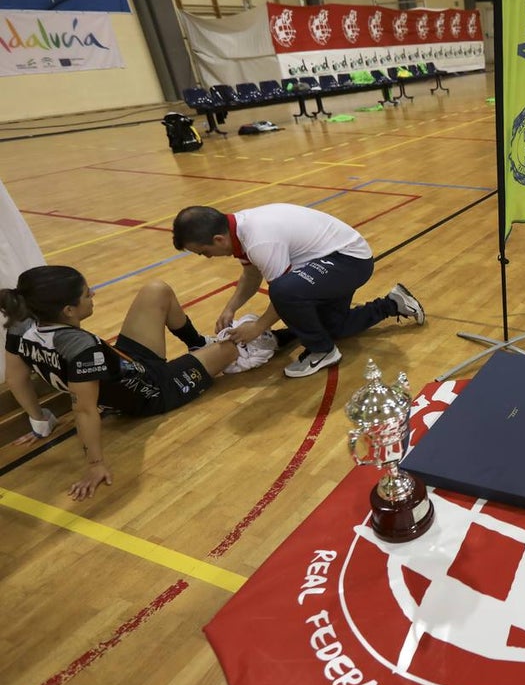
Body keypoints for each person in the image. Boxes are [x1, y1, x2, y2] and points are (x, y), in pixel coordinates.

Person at [1, 266, 240, 500]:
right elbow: (84, 410)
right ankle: (273, 339)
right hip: (152, 392)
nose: (93, 294)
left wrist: (40, 422)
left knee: (157, 290)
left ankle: (198, 344)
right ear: (68, 310)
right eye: (86, 294)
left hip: (127, 361)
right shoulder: (80, 347)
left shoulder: (21, 322)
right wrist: (96, 465)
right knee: (233, 346)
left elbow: (15, 377)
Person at [172, 203, 425, 378]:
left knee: (284, 291)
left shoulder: (259, 237)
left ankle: (322, 351)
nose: (206, 257)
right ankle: (393, 303)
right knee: (332, 328)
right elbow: (251, 274)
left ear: (218, 239)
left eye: (203, 252)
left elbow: (284, 295)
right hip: (333, 260)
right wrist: (231, 307)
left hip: (348, 261)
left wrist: (258, 327)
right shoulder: (238, 229)